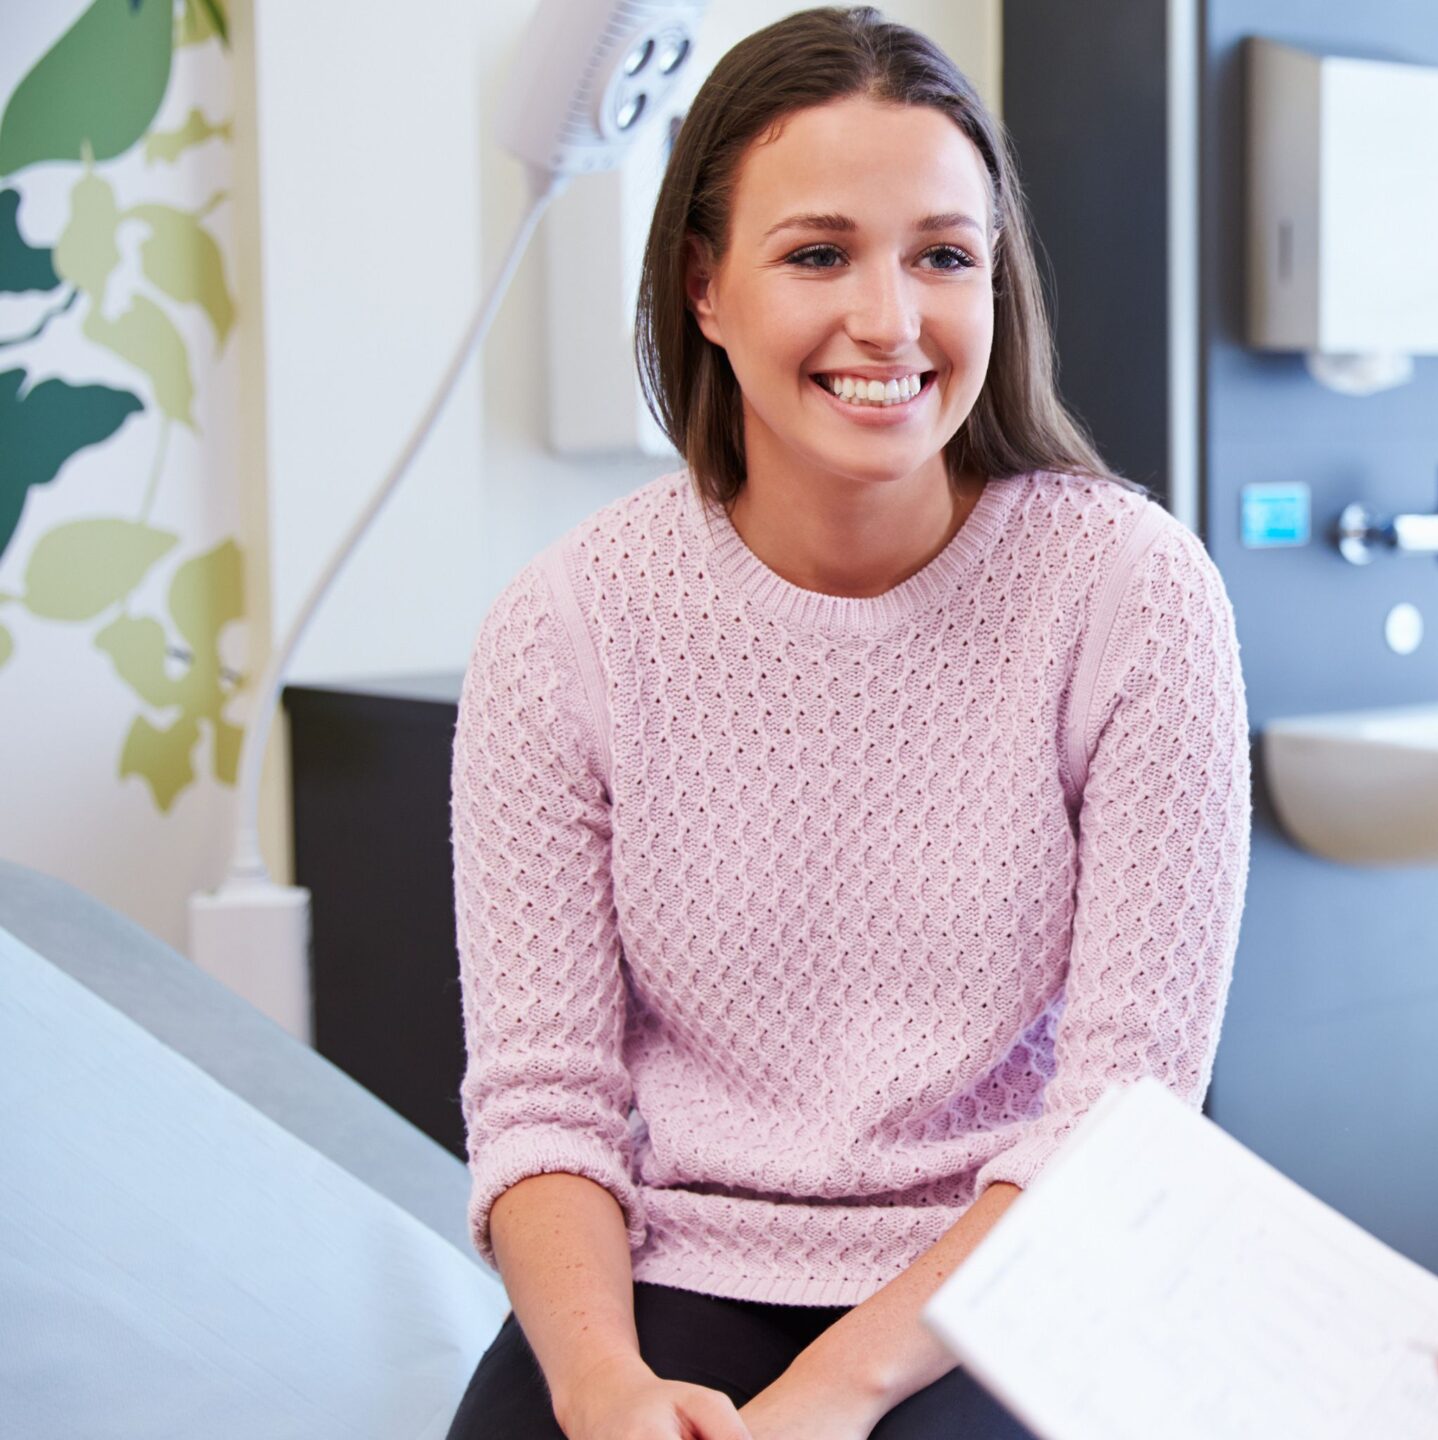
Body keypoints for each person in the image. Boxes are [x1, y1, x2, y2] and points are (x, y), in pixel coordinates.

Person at [441, 9, 1250, 1438]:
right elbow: (543, 1100)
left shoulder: (1132, 594)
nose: (891, 320)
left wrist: (834, 1391)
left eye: (943, 254)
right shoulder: (563, 629)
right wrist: (603, 1386)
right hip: (678, 1263)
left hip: (1017, 1264)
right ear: (703, 286)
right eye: (819, 253)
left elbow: (1124, 1110)